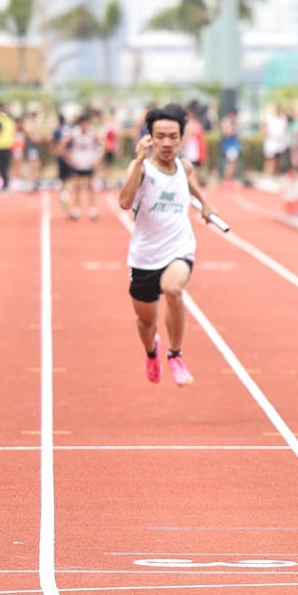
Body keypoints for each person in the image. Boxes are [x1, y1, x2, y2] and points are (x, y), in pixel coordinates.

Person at [118, 104, 217, 387]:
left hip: (179, 248)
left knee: (173, 289)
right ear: (149, 138)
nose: (166, 142)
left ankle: (175, 355)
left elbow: (192, 187)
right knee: (146, 323)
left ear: (181, 138)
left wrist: (206, 205)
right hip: (145, 257)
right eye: (160, 136)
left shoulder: (184, 167)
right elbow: (124, 202)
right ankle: (152, 351)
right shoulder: (142, 169)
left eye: (173, 136)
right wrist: (138, 161)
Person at [63, 112, 102, 220]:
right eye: (83, 124)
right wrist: (68, 159)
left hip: (89, 162)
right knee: (77, 186)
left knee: (91, 186)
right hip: (78, 163)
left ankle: (92, 209)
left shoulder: (92, 133)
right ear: (80, 124)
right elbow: (63, 144)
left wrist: (98, 159)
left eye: (86, 124)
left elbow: (103, 144)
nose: (85, 126)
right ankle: (76, 209)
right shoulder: (74, 133)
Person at [220, 108, 241, 184]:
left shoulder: (234, 122)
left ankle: (230, 180)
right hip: (229, 145)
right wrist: (233, 128)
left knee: (234, 163)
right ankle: (226, 180)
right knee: (230, 163)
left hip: (234, 144)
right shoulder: (226, 121)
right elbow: (227, 132)